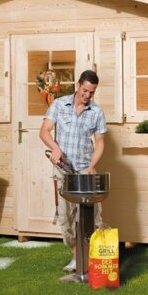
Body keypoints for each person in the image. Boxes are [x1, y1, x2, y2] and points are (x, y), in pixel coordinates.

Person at [39, 70, 107, 273]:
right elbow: (44, 131)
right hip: (63, 169)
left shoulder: (96, 111)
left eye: (92, 93)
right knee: (65, 216)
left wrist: (92, 165)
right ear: (78, 85)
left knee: (93, 217)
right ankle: (76, 256)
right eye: (85, 90)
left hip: (85, 170)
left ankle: (94, 258)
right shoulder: (59, 104)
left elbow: (100, 142)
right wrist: (55, 148)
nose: (87, 96)